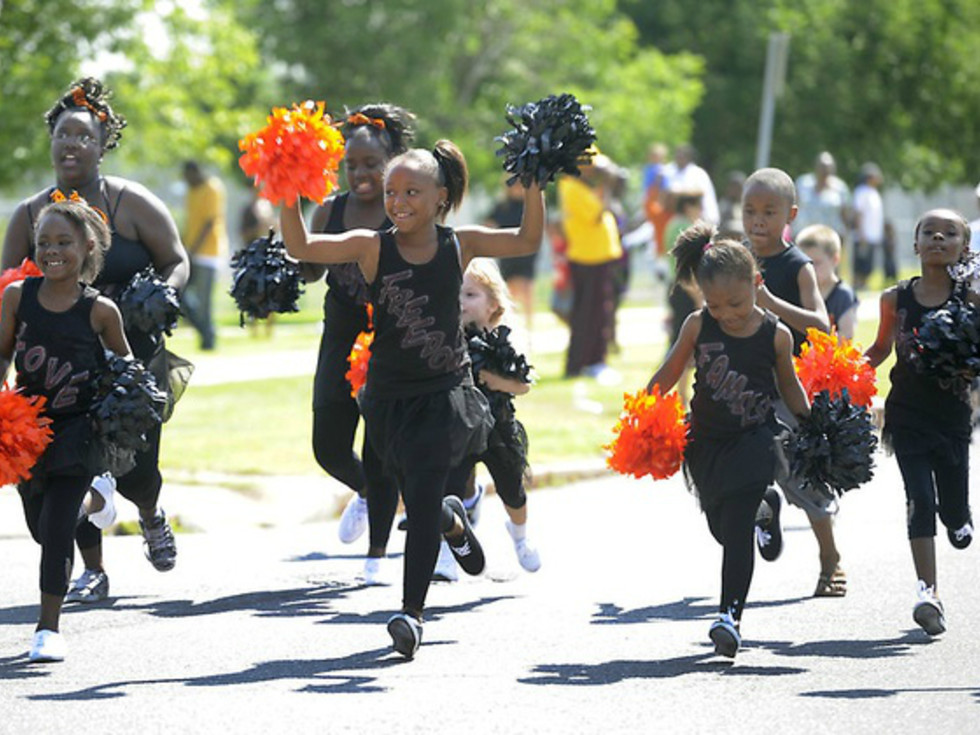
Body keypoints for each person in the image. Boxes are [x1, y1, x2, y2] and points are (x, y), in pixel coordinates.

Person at [281, 139, 546, 658]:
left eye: (412, 192)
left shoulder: (458, 244)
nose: (399, 202)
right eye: (392, 192)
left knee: (420, 494)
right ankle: (451, 521)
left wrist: (534, 179)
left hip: (444, 396)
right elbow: (304, 247)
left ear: (440, 197)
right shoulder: (371, 246)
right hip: (386, 400)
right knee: (417, 494)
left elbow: (528, 238)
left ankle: (411, 613)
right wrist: (287, 188)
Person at [1, 78, 189, 602]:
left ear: (102, 144)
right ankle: (93, 567)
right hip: (56, 368)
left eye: (83, 136)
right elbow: (7, 286)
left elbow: (176, 259)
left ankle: (150, 513)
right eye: (63, 135)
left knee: (135, 470)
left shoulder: (131, 202)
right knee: (63, 469)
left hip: (129, 360)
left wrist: (164, 295)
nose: (71, 145)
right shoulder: (31, 214)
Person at [646, 223, 810, 658]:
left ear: (757, 284)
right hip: (706, 443)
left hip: (755, 441)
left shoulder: (775, 333)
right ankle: (765, 510)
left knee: (735, 531)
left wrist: (812, 425)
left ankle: (729, 617)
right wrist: (645, 408)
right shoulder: (699, 325)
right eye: (715, 305)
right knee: (722, 528)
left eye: (735, 302)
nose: (727, 313)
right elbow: (670, 370)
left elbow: (790, 387)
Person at [0, 198, 132, 662]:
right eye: (44, 242)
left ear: (87, 246)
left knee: (56, 528)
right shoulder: (17, 296)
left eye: (63, 242)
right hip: (26, 431)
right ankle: (98, 501)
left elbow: (127, 369)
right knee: (40, 527)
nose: (52, 250)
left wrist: (123, 410)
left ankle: (47, 629)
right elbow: (3, 353)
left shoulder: (100, 310)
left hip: (80, 429)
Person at [300, 104, 414, 584]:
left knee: (382, 443)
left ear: (393, 160)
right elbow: (308, 269)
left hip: (394, 333)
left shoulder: (406, 207)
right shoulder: (332, 209)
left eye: (371, 163)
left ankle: (377, 553)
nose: (361, 173)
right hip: (342, 331)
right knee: (327, 443)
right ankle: (370, 494)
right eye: (352, 164)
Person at [864, 209, 976, 636]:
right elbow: (879, 348)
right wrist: (848, 372)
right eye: (929, 232)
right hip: (906, 416)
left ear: (964, 249)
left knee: (951, 509)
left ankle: (960, 515)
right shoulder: (896, 298)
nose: (938, 238)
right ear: (915, 244)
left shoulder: (971, 298)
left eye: (949, 234)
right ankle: (928, 592)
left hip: (952, 418)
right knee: (918, 500)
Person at [741, 168, 848, 599]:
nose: (758, 221)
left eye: (769, 212)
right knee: (737, 467)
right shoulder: (737, 258)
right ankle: (763, 507)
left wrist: (769, 302)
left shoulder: (797, 266)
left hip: (788, 384)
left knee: (801, 478)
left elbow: (821, 324)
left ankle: (830, 558)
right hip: (743, 381)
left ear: (791, 214)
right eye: (750, 211)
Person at [436, 258, 541, 581]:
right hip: (459, 430)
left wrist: (496, 381)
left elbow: (523, 385)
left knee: (512, 489)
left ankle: (520, 536)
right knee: (446, 492)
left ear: (494, 305)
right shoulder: (449, 339)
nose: (461, 302)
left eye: (470, 295)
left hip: (498, 429)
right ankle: (445, 557)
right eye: (457, 295)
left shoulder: (505, 340)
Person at [557, 153, 622, 380]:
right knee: (589, 313)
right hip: (588, 257)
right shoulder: (572, 187)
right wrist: (607, 184)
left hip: (596, 256)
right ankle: (582, 363)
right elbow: (596, 214)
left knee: (598, 311)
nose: (594, 171)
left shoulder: (580, 187)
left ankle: (594, 360)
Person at [181, 160, 228, 351]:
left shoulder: (212, 188)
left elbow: (210, 222)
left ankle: (208, 339)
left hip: (209, 253)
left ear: (195, 172)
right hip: (191, 252)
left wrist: (192, 250)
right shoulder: (191, 191)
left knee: (203, 302)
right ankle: (205, 331)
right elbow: (190, 222)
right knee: (180, 294)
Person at [485, 179, 538, 335]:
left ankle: (529, 326)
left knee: (527, 287)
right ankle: (511, 323)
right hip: (507, 252)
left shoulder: (529, 205)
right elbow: (489, 224)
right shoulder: (503, 207)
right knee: (510, 290)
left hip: (526, 252)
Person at [797, 225, 859, 339]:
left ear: (835, 259)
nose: (810, 268)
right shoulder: (798, 290)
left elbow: (847, 335)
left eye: (816, 263)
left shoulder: (842, 295)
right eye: (804, 263)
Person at [793, 151, 851, 243]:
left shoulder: (840, 188)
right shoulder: (803, 184)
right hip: (802, 237)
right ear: (816, 167)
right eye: (822, 167)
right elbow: (794, 207)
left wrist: (845, 236)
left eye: (828, 168)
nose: (824, 171)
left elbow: (845, 215)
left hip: (829, 240)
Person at [851, 162, 890, 290]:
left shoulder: (874, 193)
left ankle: (864, 284)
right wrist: (861, 233)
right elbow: (858, 214)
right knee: (861, 263)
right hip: (864, 235)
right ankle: (858, 285)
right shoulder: (861, 192)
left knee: (869, 264)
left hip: (873, 235)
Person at [661, 144, 720, 226]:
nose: (679, 158)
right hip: (683, 219)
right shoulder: (671, 171)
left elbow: (699, 192)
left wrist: (678, 192)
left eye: (682, 156)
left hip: (704, 218)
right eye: (677, 155)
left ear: (688, 158)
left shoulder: (697, 172)